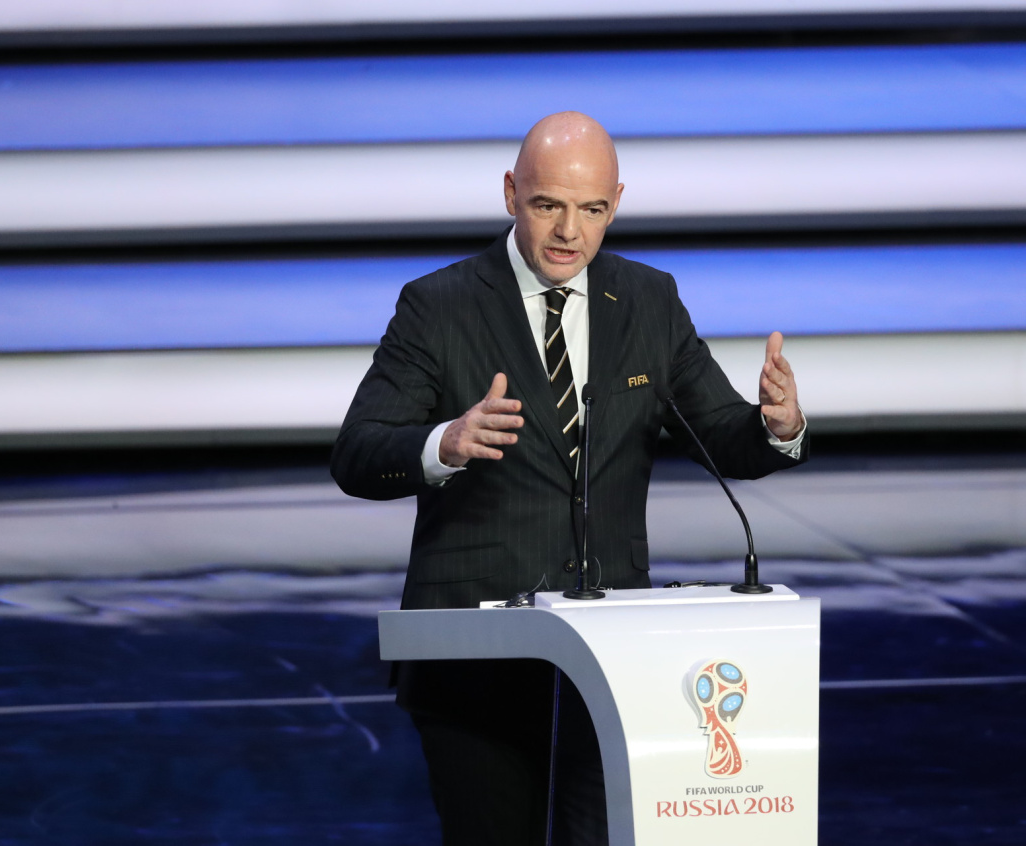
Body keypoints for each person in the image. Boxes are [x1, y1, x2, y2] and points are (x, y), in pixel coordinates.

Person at [332, 111, 807, 846]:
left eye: (591, 210)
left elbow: (721, 433)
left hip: (616, 657)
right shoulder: (438, 305)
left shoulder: (648, 300)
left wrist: (775, 425)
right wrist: (444, 443)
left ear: (616, 203)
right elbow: (358, 454)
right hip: (475, 650)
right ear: (510, 193)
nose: (568, 232)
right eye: (547, 204)